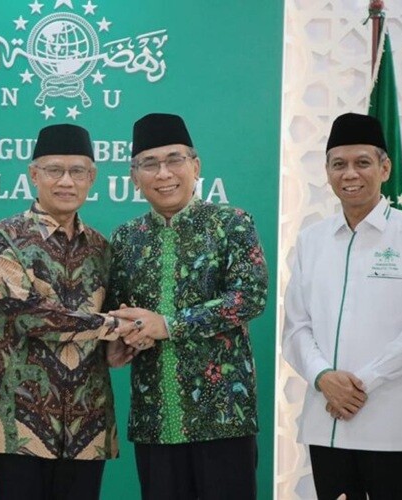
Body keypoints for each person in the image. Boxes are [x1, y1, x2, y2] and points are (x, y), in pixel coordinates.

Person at [107, 113, 268, 499]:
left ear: (196, 166)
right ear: (134, 177)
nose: (163, 173)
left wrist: (168, 325)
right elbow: (119, 310)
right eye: (150, 163)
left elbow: (250, 296)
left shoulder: (232, 224)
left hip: (223, 417)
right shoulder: (126, 238)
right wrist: (124, 339)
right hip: (154, 418)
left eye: (174, 160)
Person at [0, 124, 137, 500]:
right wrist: (112, 325)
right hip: (16, 423)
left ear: (92, 177)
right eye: (54, 170)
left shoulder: (102, 249)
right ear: (34, 175)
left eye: (77, 171)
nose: (66, 181)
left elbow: (114, 328)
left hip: (86, 426)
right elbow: (29, 315)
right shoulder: (3, 238)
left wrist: (121, 343)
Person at [282, 112, 402, 499]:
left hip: (395, 426)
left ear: (385, 168)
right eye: (339, 164)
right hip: (326, 421)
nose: (350, 174)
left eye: (362, 162)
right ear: (327, 172)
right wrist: (324, 377)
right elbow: (296, 327)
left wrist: (361, 385)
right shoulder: (311, 240)